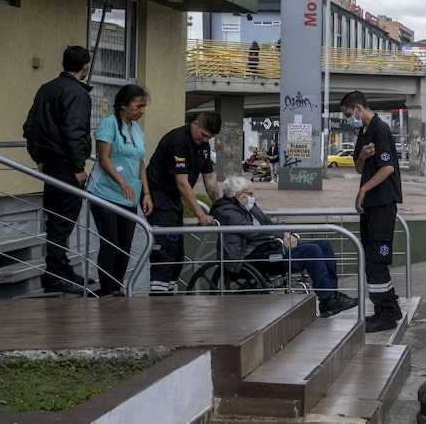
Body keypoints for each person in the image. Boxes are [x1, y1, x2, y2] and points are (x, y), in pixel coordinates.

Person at [210, 175, 358, 317]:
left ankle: (332, 295)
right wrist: (281, 235)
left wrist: (286, 233)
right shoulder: (226, 211)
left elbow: (268, 224)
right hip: (253, 257)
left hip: (268, 246)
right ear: (239, 196)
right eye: (250, 194)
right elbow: (251, 231)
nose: (253, 197)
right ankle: (327, 299)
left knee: (324, 245)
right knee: (312, 250)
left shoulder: (248, 207)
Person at [22, 45, 95, 296]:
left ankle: (61, 269)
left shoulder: (46, 89)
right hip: (66, 166)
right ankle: (55, 275)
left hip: (51, 166)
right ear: (85, 67)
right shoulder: (77, 93)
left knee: (56, 221)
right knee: (62, 223)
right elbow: (74, 132)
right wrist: (78, 168)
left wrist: (39, 158)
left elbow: (29, 127)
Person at [340, 90, 403, 333]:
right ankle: (387, 308)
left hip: (383, 204)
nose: (348, 119)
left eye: (348, 114)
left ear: (358, 108)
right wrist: (363, 156)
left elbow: (387, 168)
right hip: (371, 207)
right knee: (370, 258)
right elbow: (358, 168)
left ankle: (387, 312)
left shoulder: (380, 130)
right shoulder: (364, 132)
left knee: (377, 258)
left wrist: (363, 190)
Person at [86, 84, 152, 297]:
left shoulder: (137, 129)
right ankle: (106, 291)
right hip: (105, 193)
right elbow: (104, 158)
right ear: (123, 104)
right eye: (138, 106)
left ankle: (117, 288)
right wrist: (122, 182)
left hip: (129, 196)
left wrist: (146, 193)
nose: (142, 111)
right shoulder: (109, 124)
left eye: (144, 107)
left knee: (125, 244)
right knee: (110, 243)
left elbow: (140, 161)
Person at [145, 112, 221, 295]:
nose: (205, 140)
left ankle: (170, 294)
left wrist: (220, 206)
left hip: (174, 200)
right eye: (203, 135)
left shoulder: (203, 146)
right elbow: (181, 183)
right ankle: (158, 297)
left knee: (178, 252)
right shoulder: (177, 140)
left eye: (209, 138)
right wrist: (200, 215)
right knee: (165, 249)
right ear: (195, 124)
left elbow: (210, 180)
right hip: (159, 196)